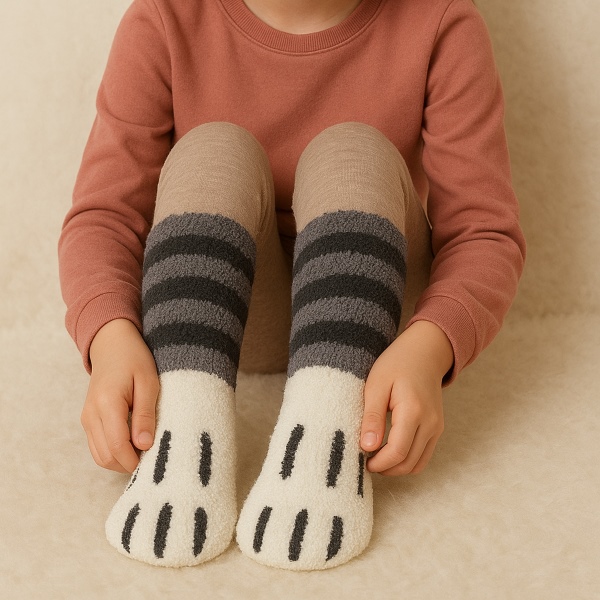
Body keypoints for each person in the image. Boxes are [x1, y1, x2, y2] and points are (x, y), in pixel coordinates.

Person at [58, 0, 526, 570]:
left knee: (351, 151)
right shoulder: (164, 18)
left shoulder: (442, 20)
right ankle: (183, 435)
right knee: (213, 150)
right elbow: (104, 216)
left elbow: (483, 232)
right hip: (228, 313)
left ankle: (325, 440)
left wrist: (432, 346)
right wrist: (110, 337)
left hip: (373, 315)